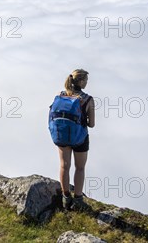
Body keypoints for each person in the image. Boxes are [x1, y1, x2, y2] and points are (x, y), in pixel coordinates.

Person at [57, 68, 95, 211]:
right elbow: (91, 124)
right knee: (80, 168)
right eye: (86, 80)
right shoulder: (87, 99)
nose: (87, 82)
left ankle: (65, 197)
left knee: (64, 166)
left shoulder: (61, 95)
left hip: (62, 135)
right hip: (79, 138)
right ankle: (78, 200)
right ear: (80, 81)